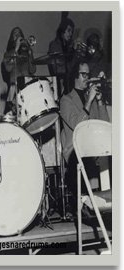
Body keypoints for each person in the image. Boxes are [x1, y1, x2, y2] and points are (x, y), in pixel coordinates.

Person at [60, 61, 109, 213]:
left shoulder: (92, 99)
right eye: (84, 74)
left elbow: (105, 124)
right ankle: (83, 204)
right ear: (76, 75)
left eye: (88, 74)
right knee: (81, 161)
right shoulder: (66, 100)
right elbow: (77, 125)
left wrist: (100, 101)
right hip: (75, 149)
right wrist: (88, 101)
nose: (87, 78)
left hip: (93, 147)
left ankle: (108, 201)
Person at [2, 27, 36, 114]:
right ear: (12, 38)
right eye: (15, 34)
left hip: (27, 87)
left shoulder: (27, 52)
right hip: (14, 90)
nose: (17, 35)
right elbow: (8, 68)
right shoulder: (8, 54)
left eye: (19, 33)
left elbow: (33, 70)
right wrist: (16, 50)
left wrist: (30, 54)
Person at [48, 16, 76, 96]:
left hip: (69, 80)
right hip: (60, 80)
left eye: (72, 31)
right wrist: (72, 50)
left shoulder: (68, 46)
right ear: (62, 31)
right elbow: (61, 64)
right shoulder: (54, 45)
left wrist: (75, 52)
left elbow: (71, 66)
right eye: (69, 31)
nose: (70, 34)